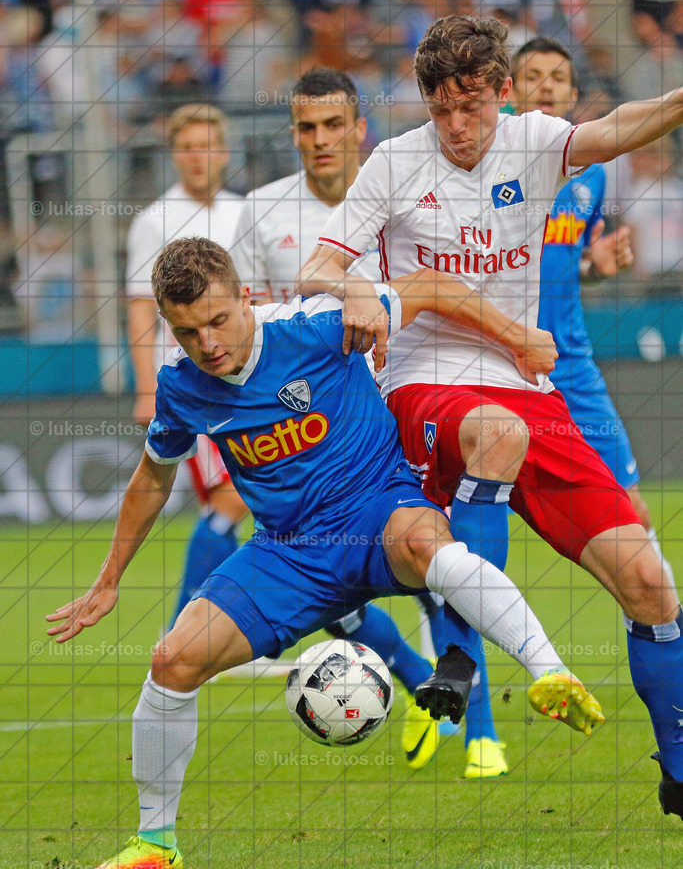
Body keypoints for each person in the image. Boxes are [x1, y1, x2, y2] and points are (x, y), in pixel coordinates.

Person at [46, 237, 604, 869]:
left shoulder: (316, 325)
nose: (207, 344)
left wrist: (515, 336)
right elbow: (154, 474)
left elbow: (427, 286)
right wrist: (109, 577)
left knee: (429, 544)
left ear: (247, 297)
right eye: (187, 332)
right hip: (286, 554)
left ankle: (551, 671)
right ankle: (155, 844)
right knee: (173, 661)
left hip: (375, 513)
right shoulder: (182, 387)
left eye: (218, 321)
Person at [296, 13, 683, 817]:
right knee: (494, 434)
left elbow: (618, 127)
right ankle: (463, 653)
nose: (455, 126)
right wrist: (358, 287)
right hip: (424, 386)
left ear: (501, 95)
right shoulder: (395, 163)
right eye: (439, 108)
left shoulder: (535, 142)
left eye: (470, 106)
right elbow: (318, 268)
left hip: (526, 388)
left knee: (649, 582)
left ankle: (678, 774)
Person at [231, 65, 453, 771]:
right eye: (306, 127)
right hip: (318, 432)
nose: (320, 140)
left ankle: (470, 720)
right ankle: (417, 676)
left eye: (334, 125)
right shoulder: (262, 213)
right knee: (324, 580)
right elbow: (245, 332)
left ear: (361, 129)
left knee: (433, 557)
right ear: (292, 133)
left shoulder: (403, 197)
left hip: (405, 402)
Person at [126, 103, 249, 624]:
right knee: (230, 495)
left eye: (206, 146)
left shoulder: (244, 209)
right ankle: (186, 630)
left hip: (243, 375)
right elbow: (139, 305)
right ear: (174, 155)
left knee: (248, 495)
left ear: (223, 151)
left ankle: (212, 628)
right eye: (187, 147)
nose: (198, 158)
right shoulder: (155, 220)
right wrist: (145, 389)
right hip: (190, 381)